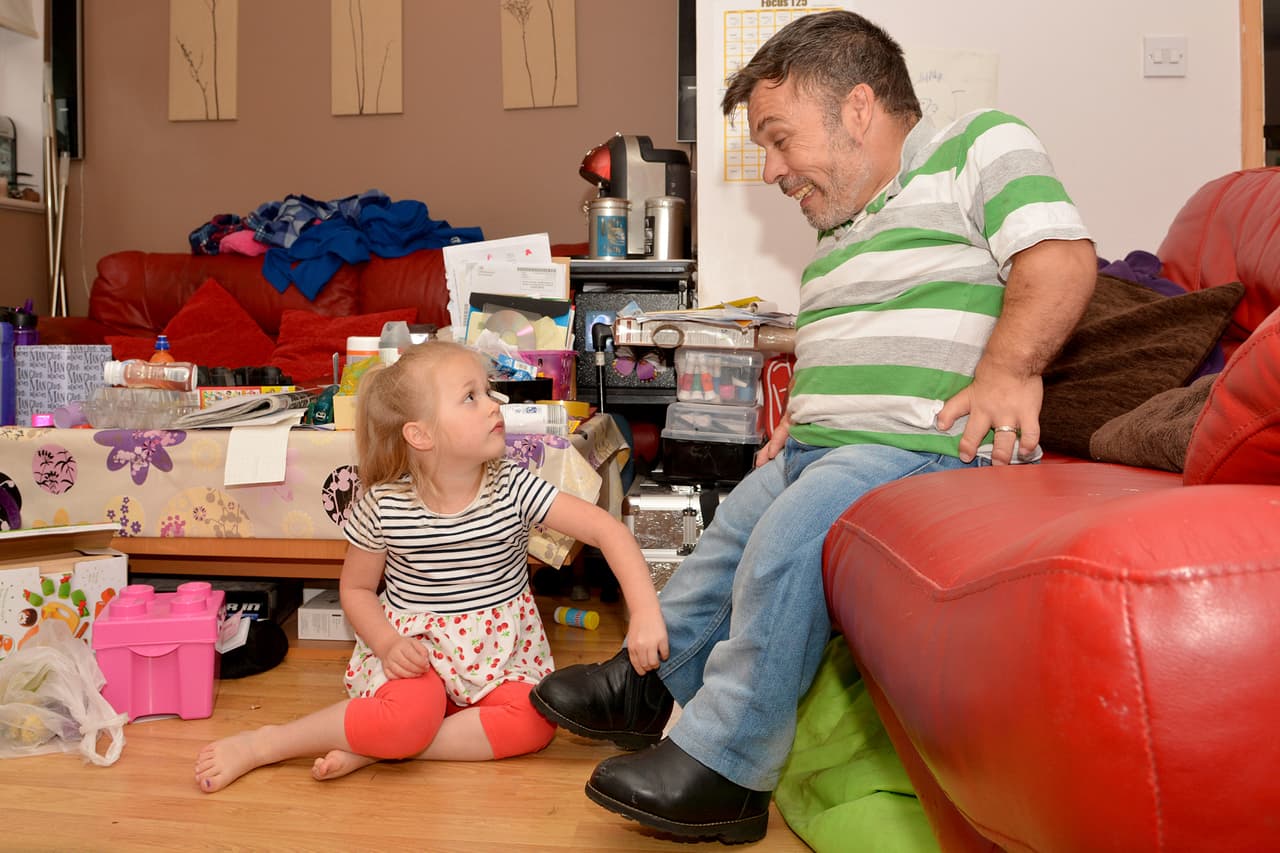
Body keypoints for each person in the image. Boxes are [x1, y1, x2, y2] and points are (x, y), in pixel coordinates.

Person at [528, 10, 1097, 845]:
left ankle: (726, 766)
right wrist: (797, 424)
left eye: (780, 138)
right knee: (730, 533)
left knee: (789, 536)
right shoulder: (838, 234)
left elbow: (1060, 256)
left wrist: (1009, 371)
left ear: (858, 107)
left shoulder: (980, 145)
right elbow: (848, 347)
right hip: (835, 447)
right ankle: (647, 682)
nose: (772, 169)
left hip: (929, 447)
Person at [195, 340, 668, 793]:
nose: (493, 404)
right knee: (405, 715)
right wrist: (387, 643)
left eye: (488, 391)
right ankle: (268, 743)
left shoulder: (513, 487)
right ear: (420, 435)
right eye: (470, 397)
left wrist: (645, 612)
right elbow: (357, 590)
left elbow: (609, 531)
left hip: (500, 656)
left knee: (535, 722)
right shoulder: (383, 506)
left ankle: (386, 747)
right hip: (417, 654)